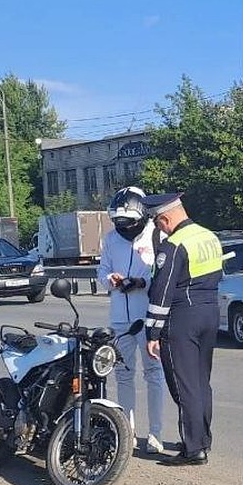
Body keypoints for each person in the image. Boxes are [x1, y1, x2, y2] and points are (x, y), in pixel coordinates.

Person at [142, 192, 224, 466]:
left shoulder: (173, 245)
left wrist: (152, 333)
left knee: (183, 385)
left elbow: (161, 292)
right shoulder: (209, 237)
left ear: (164, 218)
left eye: (157, 222)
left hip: (182, 318)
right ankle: (202, 438)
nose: (158, 228)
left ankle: (192, 449)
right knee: (201, 382)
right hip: (210, 312)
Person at [97, 186, 168, 454]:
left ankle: (156, 433)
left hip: (148, 315)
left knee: (154, 374)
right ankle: (127, 431)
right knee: (123, 374)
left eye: (128, 223)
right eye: (119, 223)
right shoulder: (111, 239)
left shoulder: (157, 235)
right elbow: (101, 270)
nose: (123, 228)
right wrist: (111, 280)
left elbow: (162, 274)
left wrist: (141, 282)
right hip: (119, 317)